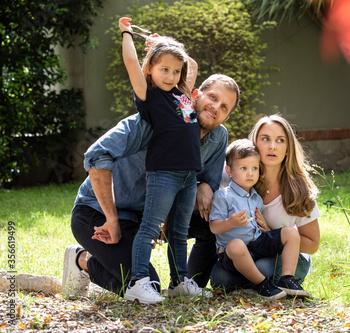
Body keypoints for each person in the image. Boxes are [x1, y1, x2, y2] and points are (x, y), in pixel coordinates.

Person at [62, 73, 240, 302]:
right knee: (149, 286)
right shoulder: (155, 121)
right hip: (99, 213)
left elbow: (206, 178)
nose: (215, 107)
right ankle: (82, 261)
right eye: (213, 97)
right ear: (195, 95)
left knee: (212, 226)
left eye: (224, 107)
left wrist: (204, 184)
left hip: (152, 216)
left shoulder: (218, 136)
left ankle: (186, 283)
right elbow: (97, 157)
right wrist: (112, 219)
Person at [115, 17, 202, 304]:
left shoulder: (182, 93)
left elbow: (193, 66)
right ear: (150, 69)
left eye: (176, 71)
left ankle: (179, 281)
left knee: (179, 230)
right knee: (151, 227)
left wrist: (164, 43)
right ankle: (138, 282)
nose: (170, 76)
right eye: (163, 69)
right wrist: (128, 33)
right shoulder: (149, 96)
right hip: (164, 172)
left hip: (190, 173)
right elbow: (130, 63)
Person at [210, 114, 321, 290]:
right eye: (265, 139)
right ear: (254, 144)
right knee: (219, 279)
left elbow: (313, 244)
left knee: (262, 268)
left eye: (280, 140)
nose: (272, 146)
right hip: (248, 251)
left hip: (287, 256)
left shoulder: (299, 189)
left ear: (288, 147)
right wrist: (202, 188)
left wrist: (271, 233)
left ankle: (273, 281)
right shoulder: (238, 177)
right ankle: (255, 281)